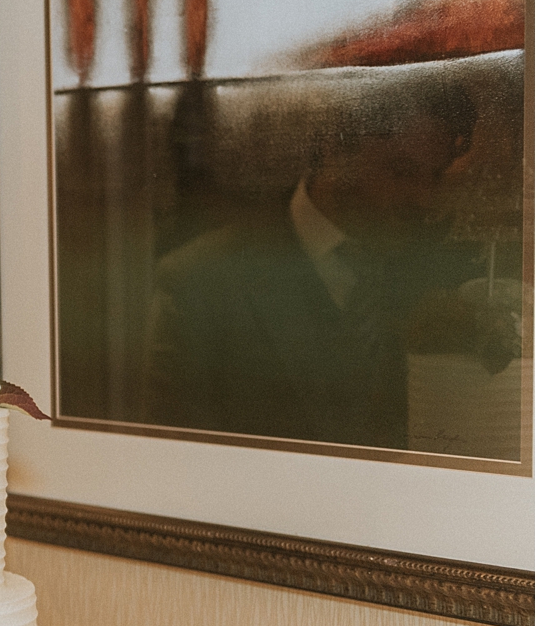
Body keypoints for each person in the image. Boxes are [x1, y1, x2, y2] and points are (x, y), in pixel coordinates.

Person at [147, 78, 482, 449]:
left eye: (434, 176)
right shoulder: (200, 280)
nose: (423, 199)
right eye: (399, 171)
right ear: (334, 148)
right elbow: (183, 459)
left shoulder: (432, 272)